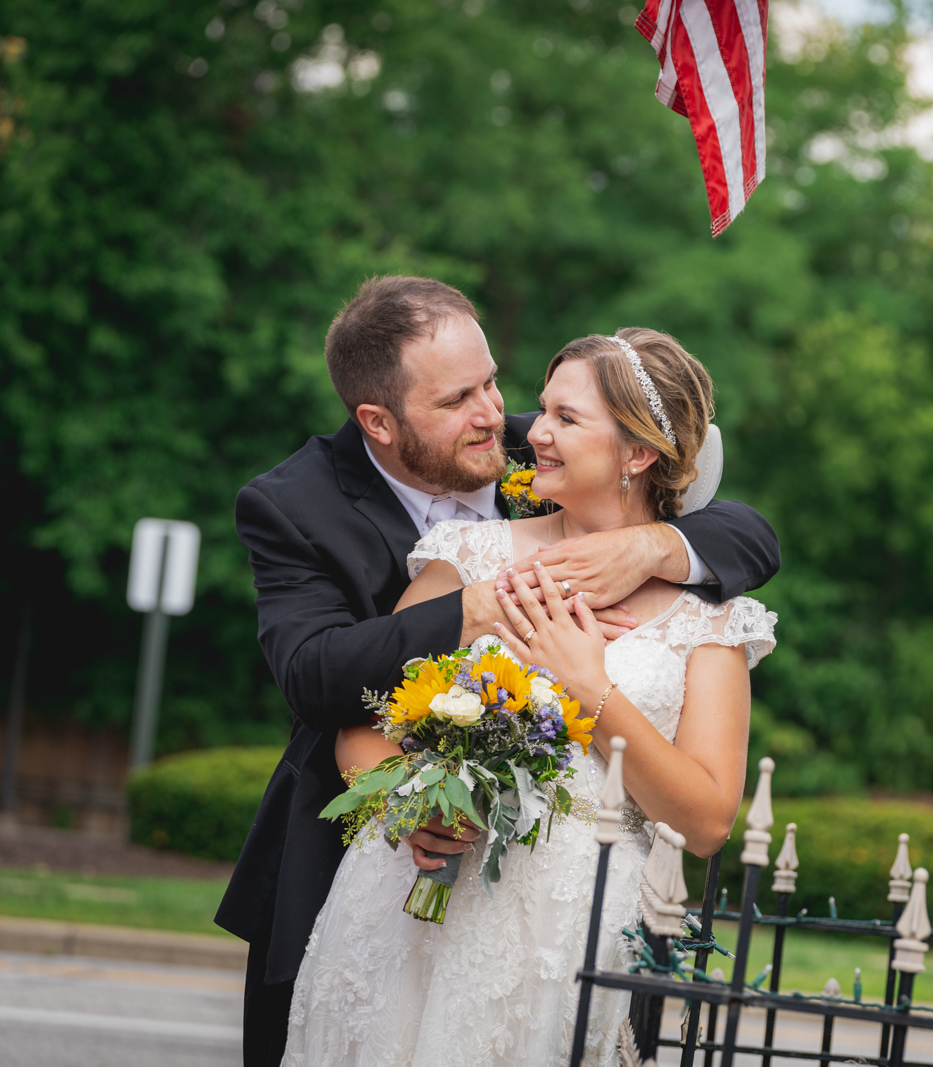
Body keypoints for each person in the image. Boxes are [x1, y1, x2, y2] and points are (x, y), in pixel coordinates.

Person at [216, 278, 780, 1067]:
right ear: (380, 420)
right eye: (461, 398)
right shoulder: (308, 511)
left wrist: (650, 552)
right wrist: (419, 795)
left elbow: (745, 529)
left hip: (579, 921)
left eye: (498, 387)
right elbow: (331, 690)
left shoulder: (692, 595)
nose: (512, 424)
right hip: (402, 895)